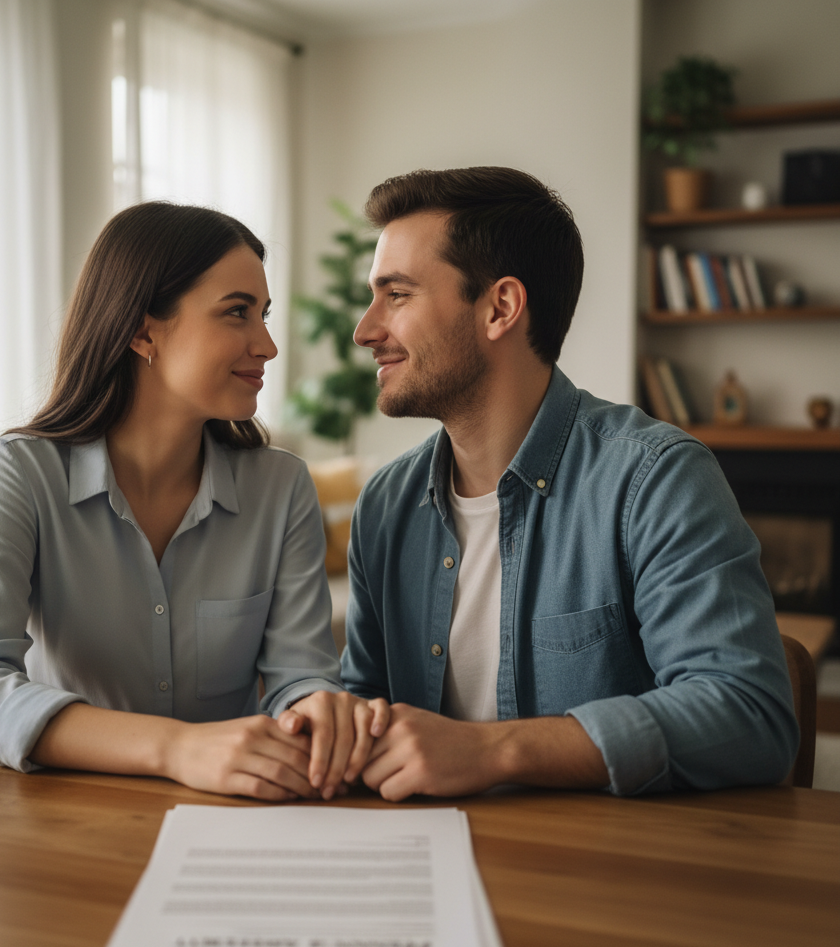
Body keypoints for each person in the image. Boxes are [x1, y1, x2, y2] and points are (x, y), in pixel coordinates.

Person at [329, 167, 798, 801]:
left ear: (500, 308)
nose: (365, 329)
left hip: (597, 880)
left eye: (397, 294)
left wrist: (495, 752)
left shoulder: (656, 479)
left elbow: (750, 715)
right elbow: (365, 705)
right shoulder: (385, 506)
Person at [0, 202, 386, 801]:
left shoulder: (281, 488)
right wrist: (175, 748)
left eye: (264, 314)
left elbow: (300, 676)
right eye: (237, 313)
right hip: (62, 812)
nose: (268, 345)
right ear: (143, 331)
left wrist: (317, 711)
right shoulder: (17, 474)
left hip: (232, 812)